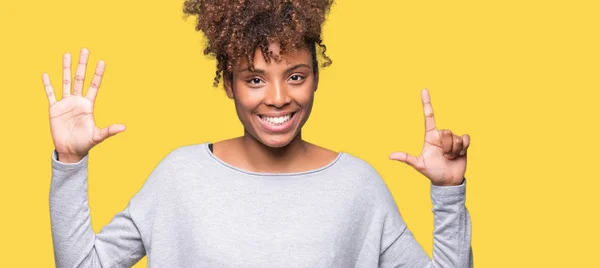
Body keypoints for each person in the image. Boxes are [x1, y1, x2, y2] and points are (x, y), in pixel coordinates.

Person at [45, 0, 473, 267]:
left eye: (296, 76)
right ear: (228, 84)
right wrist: (69, 160)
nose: (278, 97)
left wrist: (449, 193)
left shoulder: (359, 187)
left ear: (316, 78)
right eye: (254, 80)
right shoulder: (179, 176)